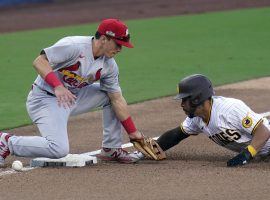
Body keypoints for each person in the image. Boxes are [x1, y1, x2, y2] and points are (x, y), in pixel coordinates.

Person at [0, 18, 144, 165]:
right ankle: (7, 142)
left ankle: (111, 149)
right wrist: (58, 86)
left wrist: (133, 132)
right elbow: (39, 61)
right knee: (58, 149)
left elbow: (117, 99)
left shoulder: (110, 66)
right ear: (104, 39)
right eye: (118, 44)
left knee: (109, 95)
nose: (120, 49)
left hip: (72, 97)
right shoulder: (74, 46)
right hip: (44, 99)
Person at [136, 74, 270, 167]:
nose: (182, 104)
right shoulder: (197, 119)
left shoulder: (230, 108)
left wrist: (247, 155)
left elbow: (263, 131)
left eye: (185, 99)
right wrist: (143, 153)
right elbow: (175, 136)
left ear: (197, 98)